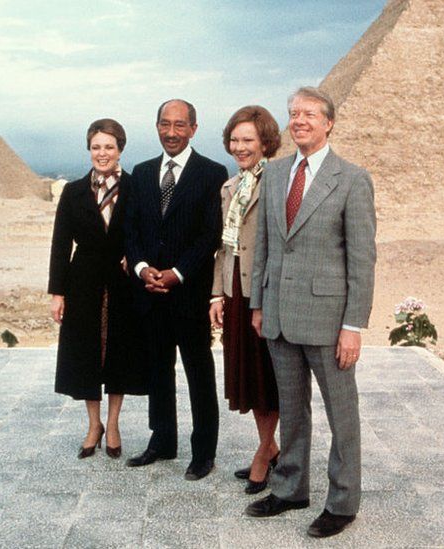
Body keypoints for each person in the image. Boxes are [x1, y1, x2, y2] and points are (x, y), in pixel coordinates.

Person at [245, 87, 376, 538]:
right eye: (293, 114)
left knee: (343, 415)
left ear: (329, 122)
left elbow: (362, 259)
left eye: (309, 114)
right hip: (279, 313)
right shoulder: (277, 172)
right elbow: (264, 243)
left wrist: (352, 326)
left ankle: (342, 502)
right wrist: (259, 303)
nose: (299, 120)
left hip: (327, 319)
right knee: (293, 410)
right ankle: (290, 488)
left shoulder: (352, 179)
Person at [123, 99, 228, 480]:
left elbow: (209, 235)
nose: (171, 132)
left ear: (194, 129)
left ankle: (204, 452)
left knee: (199, 373)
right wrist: (141, 268)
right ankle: (162, 441)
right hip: (150, 293)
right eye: (165, 124)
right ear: (156, 126)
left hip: (189, 295)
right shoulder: (142, 171)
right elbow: (130, 230)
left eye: (180, 125)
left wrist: (178, 273)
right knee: (158, 372)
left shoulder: (212, 173)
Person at [48, 118, 146, 459]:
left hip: (123, 283)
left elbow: (146, 234)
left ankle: (114, 422)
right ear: (88, 149)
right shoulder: (73, 192)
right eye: (95, 147)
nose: (102, 153)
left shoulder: (137, 188)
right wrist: (57, 293)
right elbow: (60, 244)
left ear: (120, 149)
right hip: (84, 281)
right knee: (86, 353)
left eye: (108, 147)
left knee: (118, 352)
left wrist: (134, 257)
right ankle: (94, 424)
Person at [208, 106, 281, 494]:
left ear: (265, 142)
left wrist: (267, 298)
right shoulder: (230, 187)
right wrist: (217, 293)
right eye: (235, 140)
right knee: (248, 378)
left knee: (267, 376)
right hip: (236, 289)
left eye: (248, 140)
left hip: (264, 291)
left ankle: (263, 453)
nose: (240, 147)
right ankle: (269, 447)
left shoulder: (278, 182)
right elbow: (225, 247)